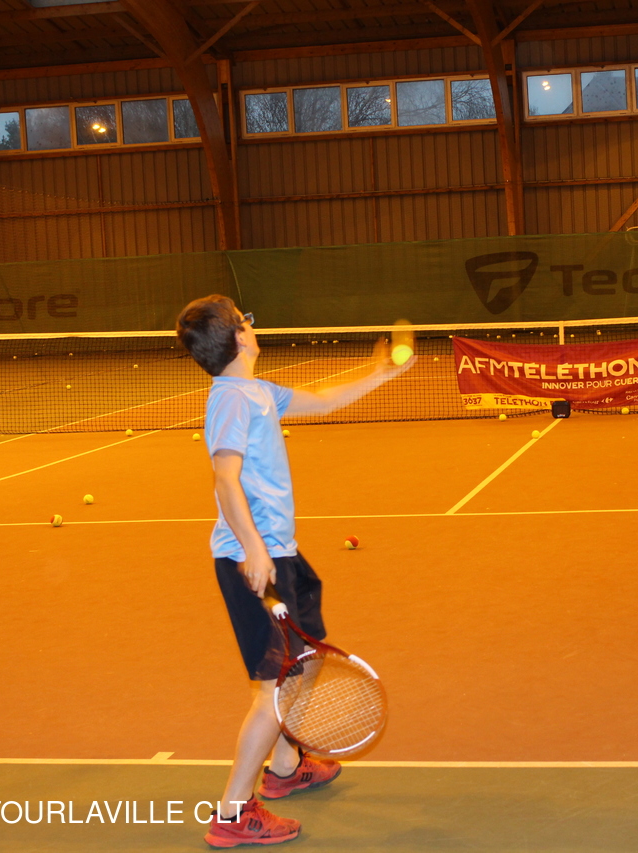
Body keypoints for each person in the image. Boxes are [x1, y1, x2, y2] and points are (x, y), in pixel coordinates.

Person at [175, 294, 414, 848]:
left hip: (280, 551)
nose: (252, 327)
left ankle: (285, 767)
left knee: (306, 660)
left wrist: (380, 373)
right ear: (239, 338)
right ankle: (233, 814)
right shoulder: (230, 399)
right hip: (252, 559)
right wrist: (254, 550)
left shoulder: (258, 391)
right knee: (273, 689)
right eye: (246, 321)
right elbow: (225, 479)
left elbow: (325, 401)